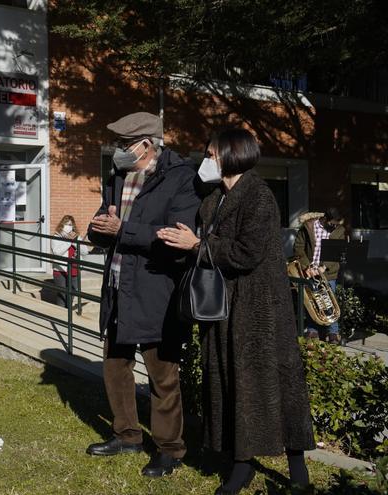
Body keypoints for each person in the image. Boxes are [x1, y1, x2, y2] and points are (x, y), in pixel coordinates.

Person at [157, 128, 315, 494]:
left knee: (275, 386)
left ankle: (298, 473)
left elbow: (247, 253)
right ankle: (241, 464)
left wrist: (197, 244)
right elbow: (211, 244)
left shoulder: (258, 196)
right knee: (234, 386)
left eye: (211, 153)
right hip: (225, 309)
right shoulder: (214, 197)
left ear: (231, 155)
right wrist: (185, 239)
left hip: (260, 311)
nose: (206, 160)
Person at [85, 112, 200, 477]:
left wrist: (124, 229)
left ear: (146, 145)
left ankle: (170, 449)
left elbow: (175, 238)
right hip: (119, 284)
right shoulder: (118, 175)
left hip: (156, 290)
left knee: (162, 375)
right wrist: (99, 229)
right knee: (115, 366)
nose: (118, 151)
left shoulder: (182, 178)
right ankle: (127, 435)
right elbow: (108, 224)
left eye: (124, 145)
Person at [293, 208, 347, 343]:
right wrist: (307, 266)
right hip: (309, 270)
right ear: (324, 219)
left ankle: (333, 332)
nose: (335, 226)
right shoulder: (308, 227)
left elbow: (337, 252)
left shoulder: (339, 230)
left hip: (328, 271)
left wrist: (324, 267)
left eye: (337, 224)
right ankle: (313, 330)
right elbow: (298, 248)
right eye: (332, 224)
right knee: (313, 301)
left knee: (330, 302)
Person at [50, 215, 80, 308]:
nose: (68, 227)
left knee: (73, 291)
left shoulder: (76, 237)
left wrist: (75, 241)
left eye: (70, 224)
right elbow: (57, 252)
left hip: (74, 267)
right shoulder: (57, 236)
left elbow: (85, 251)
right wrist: (69, 242)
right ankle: (62, 317)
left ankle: (68, 314)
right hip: (60, 269)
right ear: (62, 225)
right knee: (62, 295)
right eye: (66, 224)